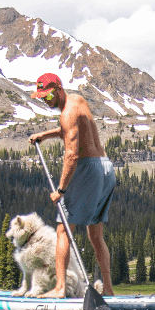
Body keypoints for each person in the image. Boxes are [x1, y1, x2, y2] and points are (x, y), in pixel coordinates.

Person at [28, 73, 116, 298]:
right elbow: (72, 131)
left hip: (88, 169)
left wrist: (61, 190)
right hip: (105, 168)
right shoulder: (77, 101)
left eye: (47, 95)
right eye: (41, 97)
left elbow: (72, 155)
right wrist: (45, 135)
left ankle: (59, 289)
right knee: (95, 233)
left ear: (58, 89)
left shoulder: (66, 114)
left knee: (63, 229)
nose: (45, 100)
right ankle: (108, 289)